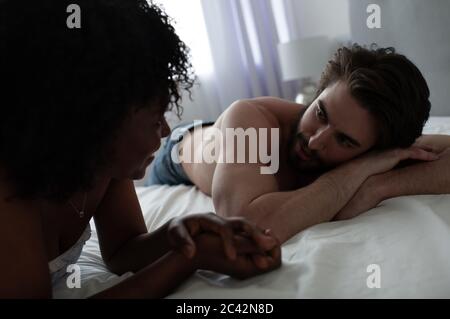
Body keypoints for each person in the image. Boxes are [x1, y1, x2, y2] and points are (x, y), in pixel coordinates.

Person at [0, 0, 281, 298]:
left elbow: (123, 250)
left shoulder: (100, 164)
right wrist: (190, 258)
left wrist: (186, 232)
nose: (167, 131)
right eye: (155, 119)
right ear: (101, 121)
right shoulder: (10, 186)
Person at [148, 44, 450, 243]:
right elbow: (245, 224)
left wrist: (378, 186)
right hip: (178, 151)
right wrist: (349, 177)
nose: (316, 141)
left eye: (344, 140)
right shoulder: (252, 116)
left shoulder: (378, 144)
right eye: (320, 112)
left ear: (375, 149)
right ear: (318, 92)